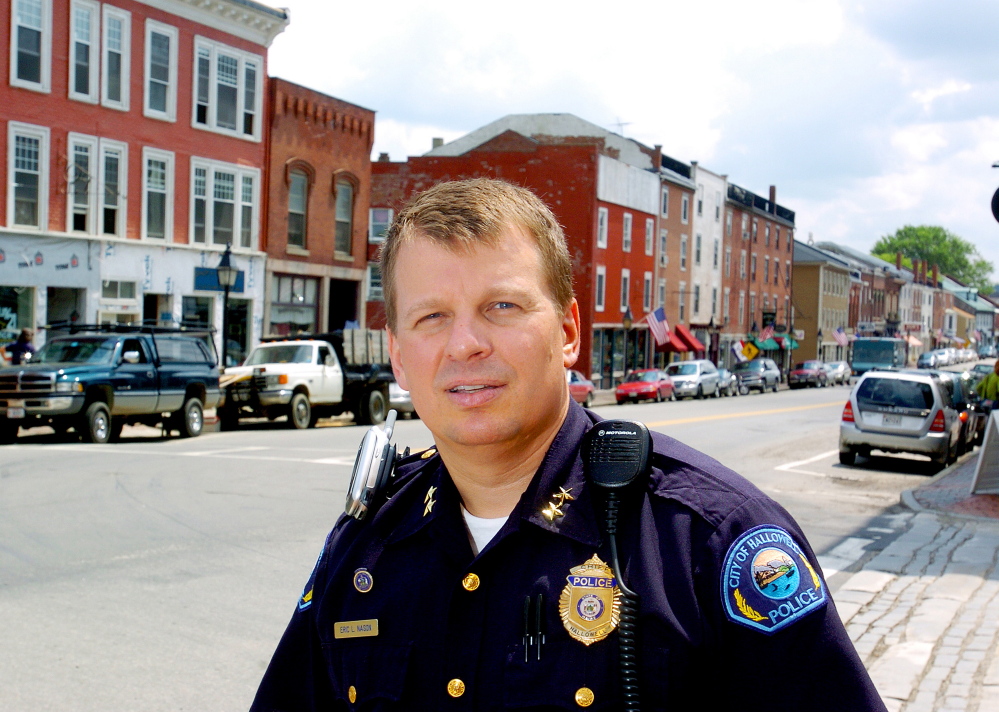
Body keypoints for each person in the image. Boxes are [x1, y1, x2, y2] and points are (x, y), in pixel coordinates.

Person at [251, 179, 886, 711]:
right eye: (431, 316)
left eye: (501, 306)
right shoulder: (366, 549)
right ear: (396, 354)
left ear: (568, 331)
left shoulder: (708, 543)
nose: (465, 344)